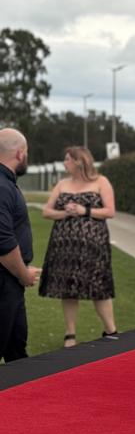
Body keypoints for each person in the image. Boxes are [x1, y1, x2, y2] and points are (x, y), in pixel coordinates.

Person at [39, 146, 117, 346]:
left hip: (93, 245)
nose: (64, 163)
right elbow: (46, 212)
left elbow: (109, 211)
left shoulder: (101, 182)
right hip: (64, 246)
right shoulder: (62, 184)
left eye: (67, 159)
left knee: (99, 286)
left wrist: (84, 210)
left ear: (79, 161)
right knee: (68, 288)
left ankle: (110, 329)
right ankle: (70, 334)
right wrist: (65, 213)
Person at [0, 128, 40, 362]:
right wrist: (23, 273)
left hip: (11, 283)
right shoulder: (3, 187)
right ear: (20, 153)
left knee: (17, 352)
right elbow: (3, 243)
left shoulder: (7, 183)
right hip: (5, 282)